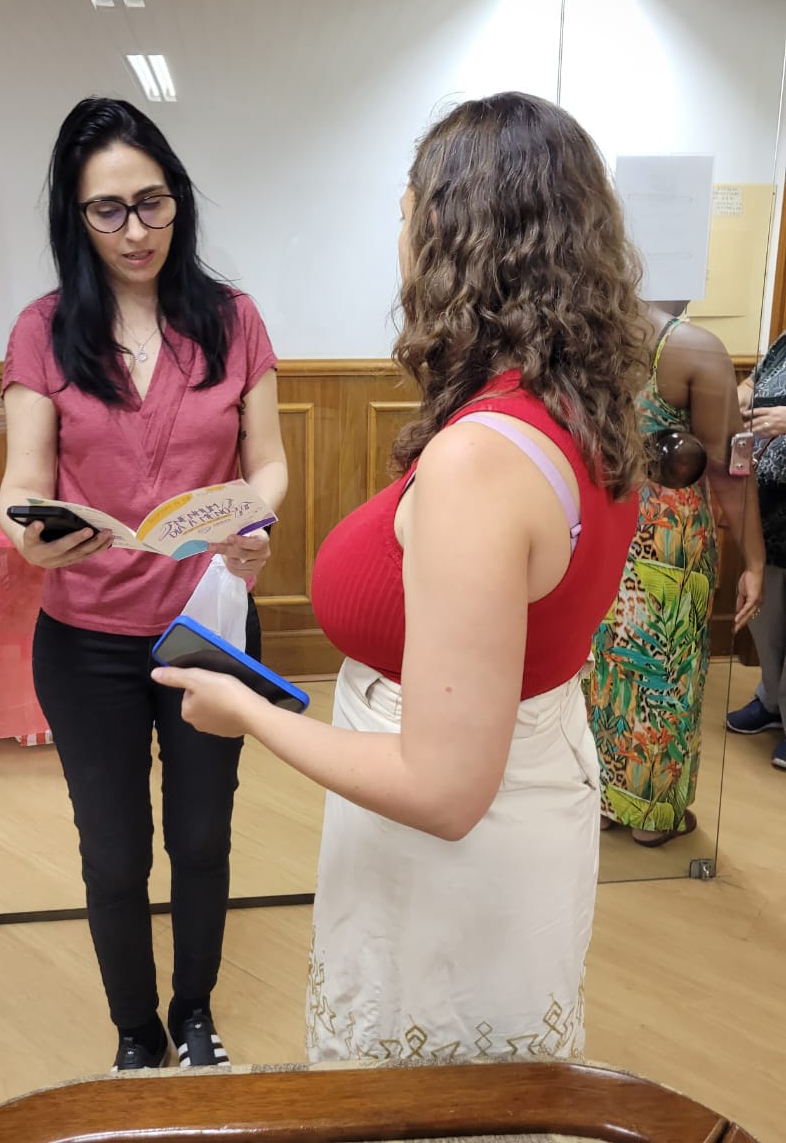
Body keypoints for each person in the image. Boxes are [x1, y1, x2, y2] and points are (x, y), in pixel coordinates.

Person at [153, 92, 647, 1062]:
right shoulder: (579, 407)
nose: (399, 240)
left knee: (425, 1083)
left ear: (453, 238)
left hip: (456, 855)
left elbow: (444, 788)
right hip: (527, 781)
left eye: (407, 211)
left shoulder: (482, 460)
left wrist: (247, 711)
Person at [0, 98, 287, 1072]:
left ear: (179, 199)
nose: (135, 230)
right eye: (108, 210)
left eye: (152, 203)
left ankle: (195, 1010)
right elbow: (20, 482)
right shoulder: (43, 331)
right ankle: (136, 1029)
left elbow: (269, 461)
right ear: (75, 217)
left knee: (202, 837)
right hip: (85, 637)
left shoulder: (233, 319)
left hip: (210, 624)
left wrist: (254, 521)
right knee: (116, 850)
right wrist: (30, 536)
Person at [586, 305, 764, 845]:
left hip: (597, 525)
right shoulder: (694, 350)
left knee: (603, 669)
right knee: (665, 668)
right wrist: (755, 560)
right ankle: (651, 817)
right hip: (666, 541)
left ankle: (599, 799)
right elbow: (730, 470)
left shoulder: (575, 330)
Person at [727, 331, 786, 771]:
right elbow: (754, 381)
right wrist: (738, 395)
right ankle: (772, 701)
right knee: (767, 619)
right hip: (770, 514)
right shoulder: (783, 342)